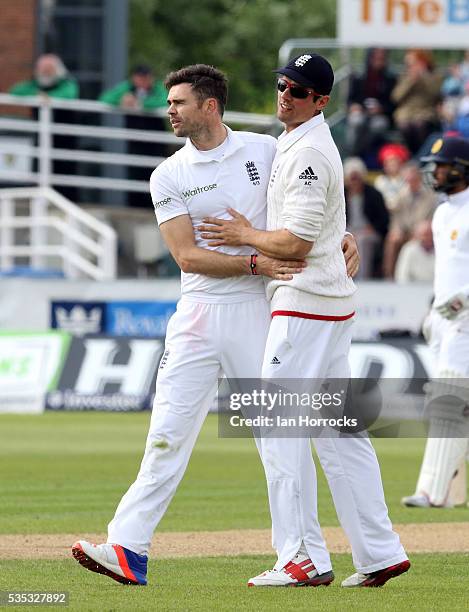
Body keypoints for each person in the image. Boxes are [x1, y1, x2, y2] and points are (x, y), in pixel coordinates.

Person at [71, 63, 359, 586]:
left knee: (279, 435)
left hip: (257, 313)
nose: (170, 112)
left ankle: (303, 556)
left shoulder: (263, 149)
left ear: (209, 105)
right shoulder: (168, 174)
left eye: (179, 102)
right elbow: (187, 256)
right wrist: (254, 261)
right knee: (166, 434)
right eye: (169, 103)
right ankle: (127, 548)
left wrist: (343, 235)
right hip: (199, 315)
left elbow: (314, 197)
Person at [198, 53, 409, 588]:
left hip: (304, 303)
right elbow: (321, 226)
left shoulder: (310, 150)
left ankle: (302, 558)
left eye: (298, 89)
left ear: (321, 100)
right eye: (283, 85)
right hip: (322, 302)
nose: (285, 95)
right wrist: (341, 232)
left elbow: (295, 242)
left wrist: (245, 235)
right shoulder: (296, 142)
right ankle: (379, 552)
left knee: (278, 425)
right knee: (339, 434)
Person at [402, 136, 469, 508]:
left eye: (442, 165)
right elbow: (446, 272)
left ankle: (433, 491)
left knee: (449, 397)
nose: (436, 172)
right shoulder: (443, 213)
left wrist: (465, 297)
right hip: (446, 319)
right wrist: (434, 311)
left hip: (467, 317)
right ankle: (451, 493)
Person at [9, 53, 79, 200]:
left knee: (64, 174)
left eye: (49, 69)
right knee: (40, 169)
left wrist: (49, 98)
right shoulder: (35, 85)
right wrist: (37, 95)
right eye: (42, 69)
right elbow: (16, 91)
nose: (45, 72)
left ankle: (66, 201)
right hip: (41, 138)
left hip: (64, 140)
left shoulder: (66, 84)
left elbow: (70, 94)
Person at [99, 64, 168, 207]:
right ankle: (135, 205)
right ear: (134, 78)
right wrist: (121, 101)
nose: (142, 80)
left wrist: (141, 105)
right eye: (139, 77)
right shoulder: (126, 88)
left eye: (145, 77)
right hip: (135, 139)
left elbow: (165, 101)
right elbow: (105, 98)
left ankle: (156, 206)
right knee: (135, 171)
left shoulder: (157, 89)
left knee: (157, 173)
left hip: (155, 140)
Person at [383, 161, 437, 278]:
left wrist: (419, 232)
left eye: (414, 180)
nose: (411, 183)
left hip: (423, 231)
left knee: (416, 241)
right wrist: (396, 230)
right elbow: (395, 216)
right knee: (392, 239)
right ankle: (389, 276)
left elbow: (431, 218)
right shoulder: (401, 195)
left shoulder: (430, 196)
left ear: (419, 179)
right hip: (405, 231)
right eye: (408, 180)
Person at [345, 47, 396, 164]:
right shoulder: (358, 76)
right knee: (356, 121)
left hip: (380, 114)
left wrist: (381, 108)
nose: (379, 61)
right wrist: (354, 106)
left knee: (379, 125)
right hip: (361, 111)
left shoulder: (390, 79)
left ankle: (363, 152)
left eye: (382, 58)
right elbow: (349, 100)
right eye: (376, 58)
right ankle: (353, 153)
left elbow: (393, 104)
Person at [344, 156, 389, 278]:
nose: (354, 182)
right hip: (347, 230)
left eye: (357, 178)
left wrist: (372, 228)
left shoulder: (374, 194)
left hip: (369, 231)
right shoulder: (341, 194)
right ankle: (342, 278)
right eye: (351, 178)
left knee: (362, 241)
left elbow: (384, 219)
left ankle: (363, 278)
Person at [391, 49, 442, 155]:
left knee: (420, 126)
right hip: (406, 111)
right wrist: (410, 81)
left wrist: (423, 76)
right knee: (405, 126)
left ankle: (422, 154)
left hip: (426, 110)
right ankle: (411, 154)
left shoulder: (434, 76)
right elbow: (396, 97)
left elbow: (435, 94)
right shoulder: (405, 76)